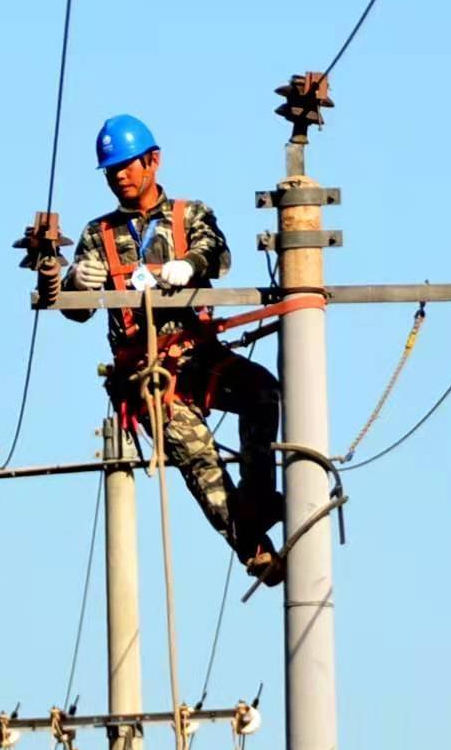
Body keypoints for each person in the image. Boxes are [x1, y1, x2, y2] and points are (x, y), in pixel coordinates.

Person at [62, 114, 285, 585]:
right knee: (195, 452)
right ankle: (255, 548)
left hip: (198, 356)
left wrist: (189, 264)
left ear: (153, 162)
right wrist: (73, 283)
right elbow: (75, 310)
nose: (119, 176)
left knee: (261, 391)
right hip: (147, 376)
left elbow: (217, 253)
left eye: (126, 166)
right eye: (111, 171)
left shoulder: (189, 216)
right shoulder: (98, 236)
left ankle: (260, 497)